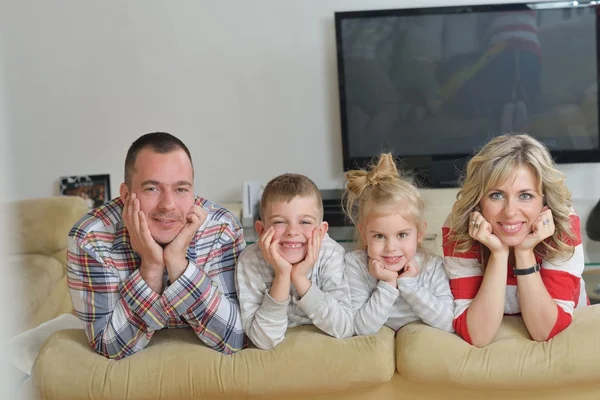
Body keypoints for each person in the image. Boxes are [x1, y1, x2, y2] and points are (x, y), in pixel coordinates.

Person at [67, 132, 247, 359]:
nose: (168, 205)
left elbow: (235, 337)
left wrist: (177, 263)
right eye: (152, 188)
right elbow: (109, 346)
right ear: (125, 194)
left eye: (181, 189)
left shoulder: (222, 228)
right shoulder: (90, 239)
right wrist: (151, 266)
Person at [443, 133, 588, 347]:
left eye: (526, 196)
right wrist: (499, 254)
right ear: (479, 201)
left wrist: (524, 253)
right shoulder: (460, 226)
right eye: (496, 195)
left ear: (544, 200)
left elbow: (544, 331)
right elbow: (478, 335)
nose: (510, 212)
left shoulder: (564, 223)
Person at [235, 173, 353, 350]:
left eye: (305, 221)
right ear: (261, 230)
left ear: (321, 232)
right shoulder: (249, 261)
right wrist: (282, 275)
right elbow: (264, 340)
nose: (292, 231)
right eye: (280, 222)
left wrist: (299, 278)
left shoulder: (330, 253)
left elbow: (344, 328)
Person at [342, 153, 454, 336]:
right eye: (379, 236)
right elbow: (360, 328)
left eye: (402, 234)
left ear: (419, 234)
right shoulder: (355, 265)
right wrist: (388, 283)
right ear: (363, 234)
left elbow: (448, 323)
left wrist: (409, 285)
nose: (391, 247)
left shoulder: (432, 266)